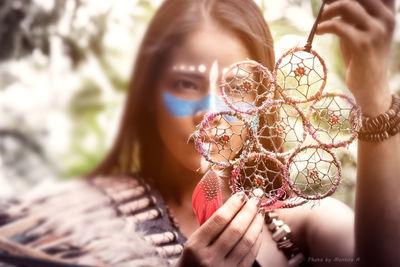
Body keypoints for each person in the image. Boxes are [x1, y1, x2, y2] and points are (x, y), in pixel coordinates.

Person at [0, 0, 398, 266]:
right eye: (186, 85)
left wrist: (374, 93)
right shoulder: (78, 216)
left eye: (238, 87)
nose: (210, 113)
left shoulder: (302, 223)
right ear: (148, 95)